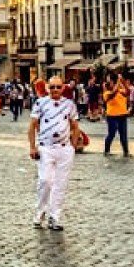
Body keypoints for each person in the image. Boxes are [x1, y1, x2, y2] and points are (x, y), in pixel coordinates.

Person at [28, 75, 83, 231]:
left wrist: (72, 146)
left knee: (60, 184)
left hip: (64, 149)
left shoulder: (69, 105)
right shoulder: (40, 103)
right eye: (52, 87)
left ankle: (55, 217)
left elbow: (75, 125)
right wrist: (33, 146)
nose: (55, 90)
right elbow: (32, 126)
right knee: (45, 181)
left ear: (63, 88)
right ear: (47, 88)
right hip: (46, 148)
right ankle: (40, 211)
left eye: (58, 87)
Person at [103, 75, 131, 157]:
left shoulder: (120, 90)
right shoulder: (107, 93)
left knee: (123, 135)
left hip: (122, 115)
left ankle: (126, 152)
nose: (112, 84)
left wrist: (123, 82)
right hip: (112, 116)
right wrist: (118, 82)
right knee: (111, 134)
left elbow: (128, 92)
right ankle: (106, 150)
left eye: (112, 82)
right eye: (110, 83)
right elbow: (113, 94)